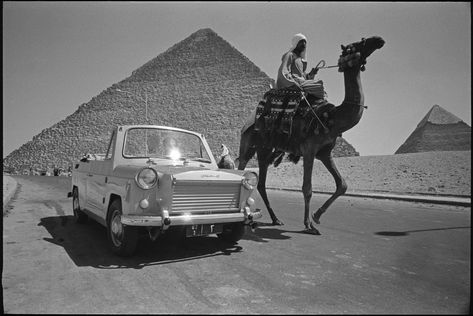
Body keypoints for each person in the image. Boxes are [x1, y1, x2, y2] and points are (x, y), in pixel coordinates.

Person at [276, 33, 327, 100]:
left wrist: (311, 74)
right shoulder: (290, 55)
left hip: (301, 82)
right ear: (296, 43)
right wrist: (291, 83)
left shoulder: (301, 61)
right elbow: (284, 70)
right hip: (295, 82)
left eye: (305, 42)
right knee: (319, 86)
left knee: (319, 85)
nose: (304, 44)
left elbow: (303, 76)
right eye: (301, 42)